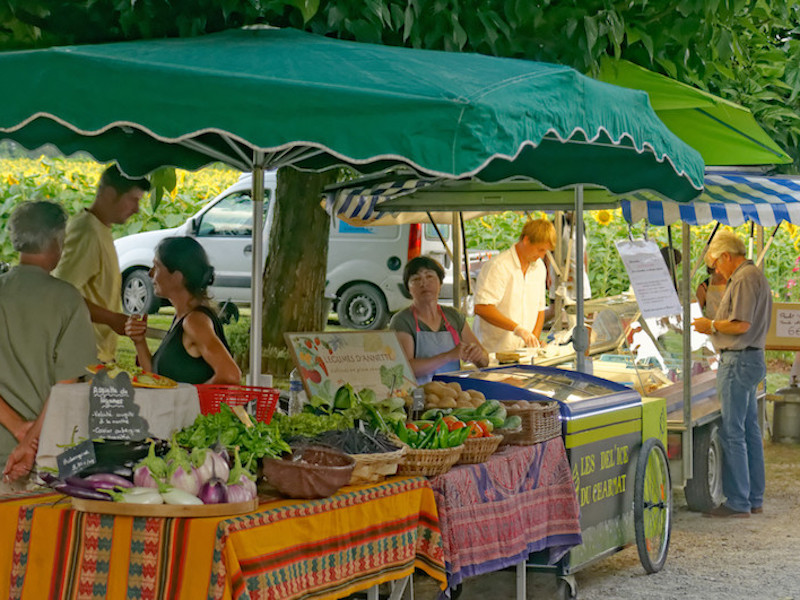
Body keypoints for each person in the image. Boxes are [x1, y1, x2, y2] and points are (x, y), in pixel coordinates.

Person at [1, 202, 97, 488]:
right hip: (46, 451)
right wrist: (29, 441)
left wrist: (17, 429)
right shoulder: (67, 299)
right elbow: (66, 385)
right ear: (57, 242)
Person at [692, 231, 771, 518]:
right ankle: (753, 497)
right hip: (747, 359)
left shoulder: (744, 278)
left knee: (733, 431)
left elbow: (741, 325)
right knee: (748, 430)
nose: (716, 271)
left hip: (739, 360)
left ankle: (739, 501)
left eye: (715, 264)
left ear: (726, 256)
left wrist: (710, 324)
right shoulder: (751, 275)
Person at [54, 165, 151, 363]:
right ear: (109, 193)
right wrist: (112, 319)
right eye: (133, 200)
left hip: (95, 357)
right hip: (81, 358)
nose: (137, 209)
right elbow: (60, 295)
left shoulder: (99, 229)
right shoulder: (87, 231)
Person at [125, 237, 241, 385]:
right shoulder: (182, 317)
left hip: (193, 409)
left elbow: (230, 374)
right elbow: (156, 379)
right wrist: (139, 341)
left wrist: (190, 398)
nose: (150, 273)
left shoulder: (195, 321)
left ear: (177, 277)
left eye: (157, 266)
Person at [390, 256, 488, 384]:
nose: (423, 283)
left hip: (453, 394)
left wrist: (477, 355)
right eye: (416, 279)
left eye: (429, 276)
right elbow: (406, 369)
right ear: (408, 289)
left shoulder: (454, 316)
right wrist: (447, 356)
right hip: (418, 396)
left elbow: (485, 361)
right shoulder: (402, 321)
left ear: (440, 283)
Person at [473, 218, 556, 353]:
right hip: (494, 351)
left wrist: (532, 340)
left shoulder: (539, 267)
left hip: (522, 353)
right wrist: (517, 329)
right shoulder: (498, 266)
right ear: (526, 240)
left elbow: (540, 309)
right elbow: (482, 307)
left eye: (545, 252)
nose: (541, 256)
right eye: (540, 250)